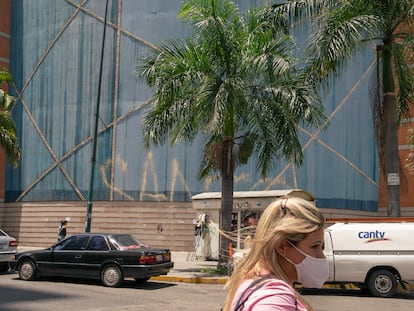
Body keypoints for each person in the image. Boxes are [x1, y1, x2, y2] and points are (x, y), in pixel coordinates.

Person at [222, 197, 329, 311]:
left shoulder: (254, 281)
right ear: (282, 247)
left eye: (321, 247)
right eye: (314, 247)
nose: (321, 256)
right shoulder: (276, 296)